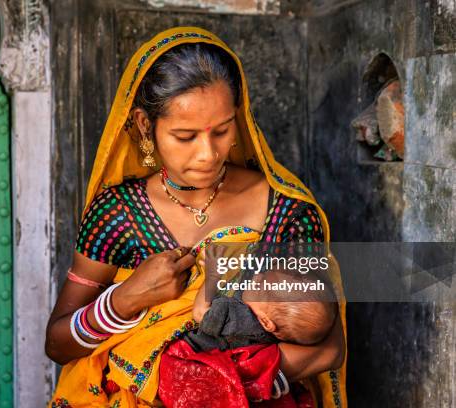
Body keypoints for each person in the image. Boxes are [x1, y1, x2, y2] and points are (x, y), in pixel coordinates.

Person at [46, 27, 347, 408]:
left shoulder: (285, 212)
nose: (208, 153)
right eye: (185, 136)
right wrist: (125, 299)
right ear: (144, 125)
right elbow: (57, 345)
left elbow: (329, 347)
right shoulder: (117, 215)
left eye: (221, 131)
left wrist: (212, 382)